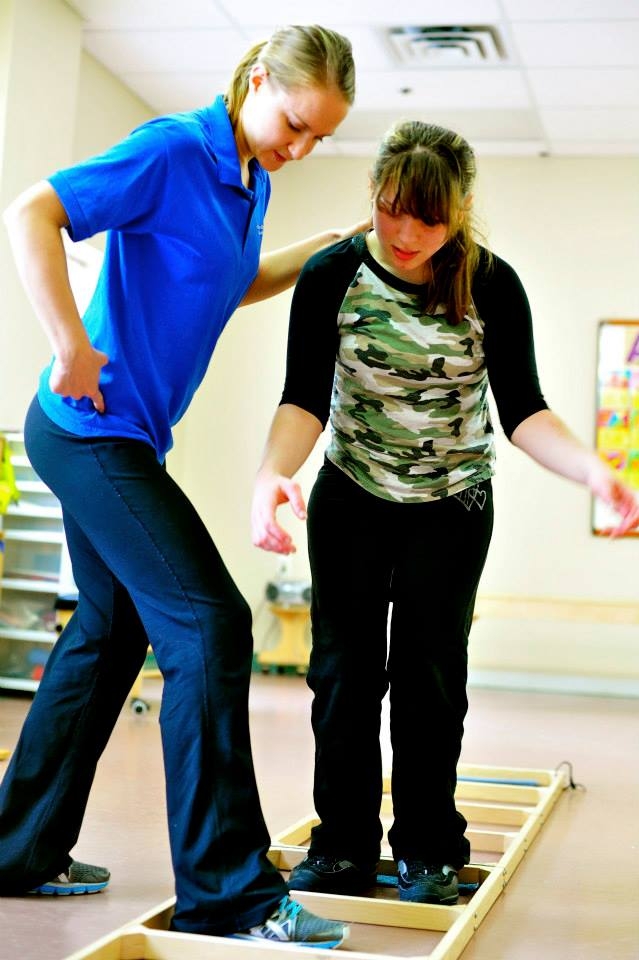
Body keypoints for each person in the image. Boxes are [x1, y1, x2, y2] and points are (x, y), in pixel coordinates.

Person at [0, 23, 368, 949]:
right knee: (210, 624)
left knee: (109, 631)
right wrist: (68, 343)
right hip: (89, 431)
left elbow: (231, 282)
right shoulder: (171, 150)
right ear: (256, 80)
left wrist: (329, 245)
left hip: (124, 441)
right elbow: (30, 211)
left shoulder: (250, 181)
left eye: (320, 137)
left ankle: (15, 850)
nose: (301, 147)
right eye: (295, 123)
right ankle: (228, 894)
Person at [251, 120, 639, 907]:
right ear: (373, 193)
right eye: (392, 210)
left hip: (452, 504)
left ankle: (427, 849)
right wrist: (270, 474)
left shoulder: (489, 284)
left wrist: (594, 473)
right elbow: (302, 398)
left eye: (428, 221)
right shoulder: (331, 275)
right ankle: (342, 845)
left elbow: (523, 411)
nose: (405, 235)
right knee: (342, 675)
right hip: (352, 494)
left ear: (458, 213)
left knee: (429, 677)